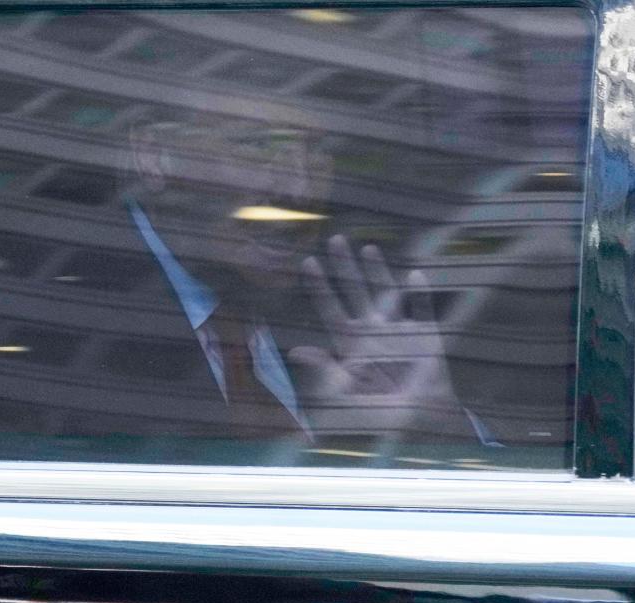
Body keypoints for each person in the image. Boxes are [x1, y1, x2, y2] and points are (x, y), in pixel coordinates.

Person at [124, 118, 500, 450]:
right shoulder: (80, 312)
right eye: (258, 144)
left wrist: (439, 426)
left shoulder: (363, 298)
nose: (299, 189)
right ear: (154, 156)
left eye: (315, 149)